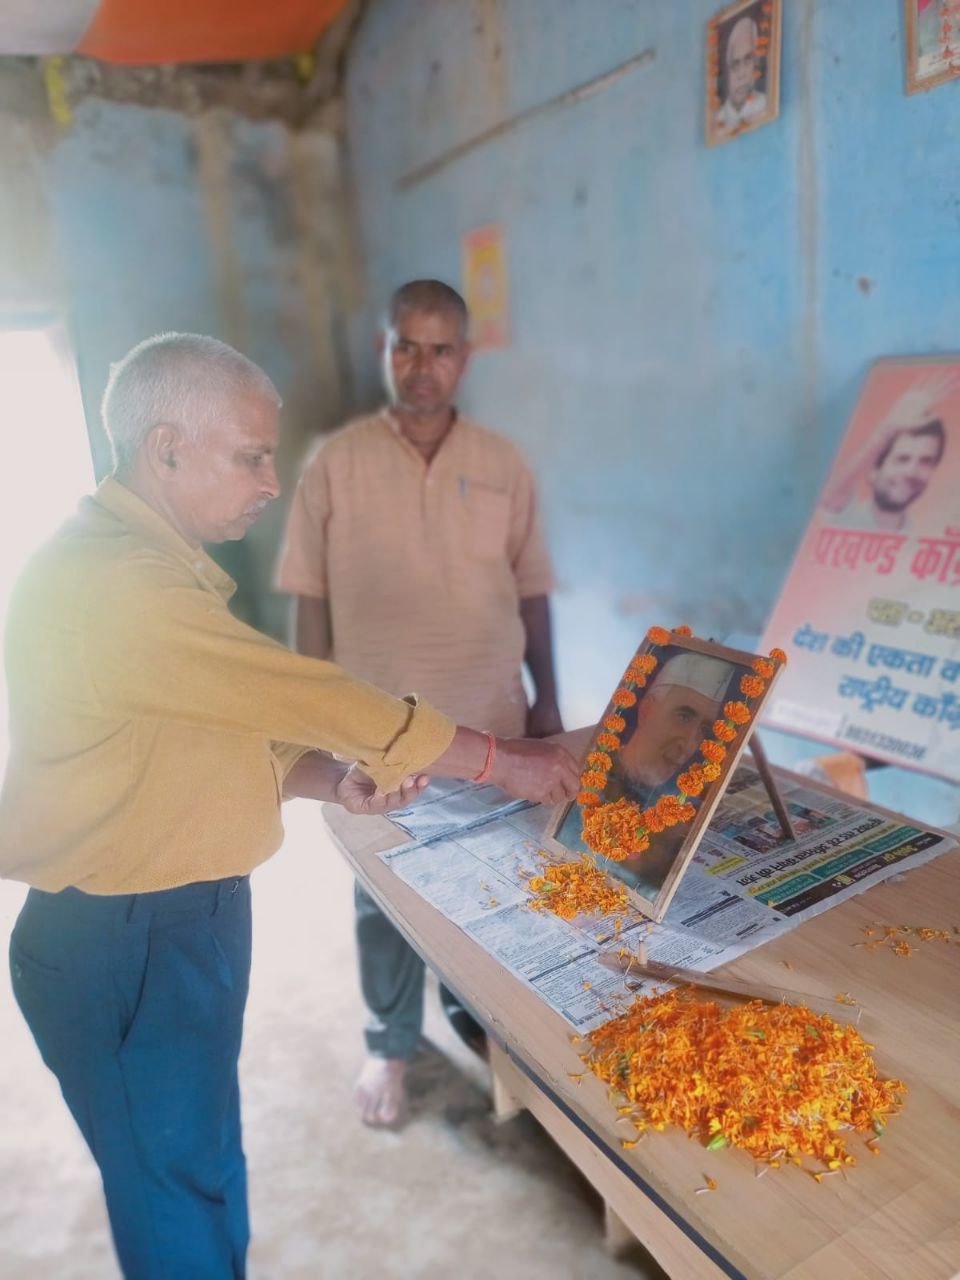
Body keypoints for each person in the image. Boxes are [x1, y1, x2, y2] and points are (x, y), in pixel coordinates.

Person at [0, 332, 579, 1280]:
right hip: (127, 939)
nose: (269, 483)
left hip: (176, 923)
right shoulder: (118, 584)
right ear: (166, 449)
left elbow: (214, 726)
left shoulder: (151, 566)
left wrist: (329, 777)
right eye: (251, 457)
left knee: (197, 1163)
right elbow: (302, 691)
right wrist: (499, 762)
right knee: (171, 1191)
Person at [276, 279, 563, 1128]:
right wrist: (311, 715)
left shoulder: (503, 463)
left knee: (495, 883)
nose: (423, 365)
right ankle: (389, 1043)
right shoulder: (334, 462)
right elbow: (309, 595)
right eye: (407, 346)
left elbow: (532, 588)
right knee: (384, 893)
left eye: (441, 349)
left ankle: (483, 1025)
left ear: (464, 358)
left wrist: (548, 697)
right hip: (378, 728)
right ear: (385, 351)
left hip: (492, 718)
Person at [555, 652, 731, 899]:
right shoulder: (585, 783)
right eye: (683, 717)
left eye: (704, 730)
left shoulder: (683, 811)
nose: (688, 744)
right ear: (647, 709)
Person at [820, 373, 959, 532]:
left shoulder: (915, 535)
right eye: (902, 459)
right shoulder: (845, 516)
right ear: (872, 472)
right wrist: (885, 432)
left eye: (925, 461)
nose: (911, 471)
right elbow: (830, 496)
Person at [715, 13, 768, 136]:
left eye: (748, 60)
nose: (742, 74)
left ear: (755, 62)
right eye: (735, 64)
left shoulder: (766, 104)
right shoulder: (717, 120)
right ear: (726, 72)